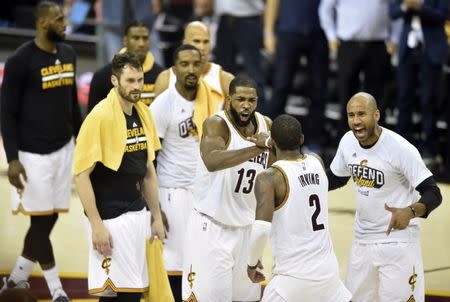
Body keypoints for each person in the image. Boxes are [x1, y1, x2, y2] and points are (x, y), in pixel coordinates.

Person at [0, 2, 82, 301]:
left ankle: (14, 283)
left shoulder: (69, 54)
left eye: (64, 18)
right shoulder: (21, 61)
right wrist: (12, 159)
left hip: (64, 149)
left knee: (48, 220)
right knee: (39, 221)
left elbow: (73, 105)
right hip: (32, 155)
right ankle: (57, 290)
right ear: (41, 23)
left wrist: (82, 144)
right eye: (58, 19)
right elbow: (6, 113)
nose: (64, 23)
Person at [328, 92, 442, 302]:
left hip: (398, 242)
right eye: (351, 115)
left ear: (376, 115)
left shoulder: (400, 149)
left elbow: (433, 193)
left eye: (361, 114)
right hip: (362, 242)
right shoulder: (347, 142)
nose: (355, 121)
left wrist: (411, 211)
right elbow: (337, 178)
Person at [74, 52, 165, 301]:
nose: (136, 87)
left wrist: (156, 216)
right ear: (115, 81)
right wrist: (96, 225)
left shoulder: (143, 114)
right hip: (109, 217)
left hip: (136, 212)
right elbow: (81, 175)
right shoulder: (99, 117)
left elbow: (148, 172)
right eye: (130, 81)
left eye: (139, 80)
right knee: (122, 294)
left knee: (128, 292)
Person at [181, 75, 271, 301]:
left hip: (246, 229)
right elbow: (212, 161)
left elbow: (272, 174)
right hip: (212, 228)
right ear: (229, 99)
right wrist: (258, 148)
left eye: (252, 100)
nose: (246, 105)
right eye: (240, 99)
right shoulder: (216, 124)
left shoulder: (265, 125)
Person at [247, 114, 351, 302]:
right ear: (301, 139)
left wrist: (251, 263)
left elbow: (261, 229)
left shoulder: (269, 178)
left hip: (292, 279)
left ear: (274, 142)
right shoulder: (316, 161)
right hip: (328, 275)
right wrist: (271, 140)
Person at [150, 44, 222, 301]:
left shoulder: (213, 99)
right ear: (174, 68)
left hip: (204, 193)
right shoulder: (163, 104)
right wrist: (154, 208)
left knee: (203, 262)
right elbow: (148, 160)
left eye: (196, 64)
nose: (191, 70)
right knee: (176, 265)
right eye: (184, 64)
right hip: (174, 194)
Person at [319, 0, 399, 131]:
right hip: (347, 45)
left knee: (377, 99)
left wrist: (395, 38)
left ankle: (377, 141)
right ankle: (345, 141)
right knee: (346, 95)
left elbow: (397, 10)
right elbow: (325, 9)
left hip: (377, 45)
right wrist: (331, 36)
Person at [263, 0, 328, 152]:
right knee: (281, 85)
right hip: (289, 30)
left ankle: (314, 141)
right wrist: (268, 31)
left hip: (320, 31)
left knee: (318, 88)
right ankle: (270, 135)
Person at [389, 0, 450, 164]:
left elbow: (443, 14)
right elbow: (393, 12)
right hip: (407, 51)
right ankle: (400, 148)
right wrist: (406, 6)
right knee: (403, 98)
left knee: (428, 100)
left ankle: (429, 149)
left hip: (431, 51)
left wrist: (420, 7)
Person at [88, 20, 164, 112]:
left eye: (145, 38)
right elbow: (93, 115)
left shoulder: (162, 75)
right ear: (125, 40)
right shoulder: (103, 76)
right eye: (136, 38)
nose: (141, 44)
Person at [153, 21, 234, 101]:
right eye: (197, 41)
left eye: (206, 42)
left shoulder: (225, 80)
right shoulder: (166, 79)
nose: (202, 47)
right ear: (185, 43)